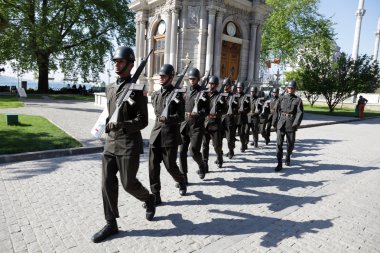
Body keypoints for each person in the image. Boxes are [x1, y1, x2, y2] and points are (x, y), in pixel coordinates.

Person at [91, 46, 155, 243]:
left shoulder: (136, 90)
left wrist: (123, 125)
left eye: (120, 62)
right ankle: (111, 223)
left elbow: (143, 120)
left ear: (130, 64)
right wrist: (101, 127)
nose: (116, 65)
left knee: (128, 183)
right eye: (115, 61)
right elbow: (108, 112)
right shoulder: (110, 87)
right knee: (106, 183)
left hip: (128, 143)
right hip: (110, 142)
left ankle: (149, 199)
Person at [149, 64, 187, 206]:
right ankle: (155, 195)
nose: (161, 78)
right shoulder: (156, 95)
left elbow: (181, 116)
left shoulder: (177, 95)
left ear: (171, 78)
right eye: (160, 75)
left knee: (170, 165)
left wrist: (169, 119)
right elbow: (156, 111)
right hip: (156, 134)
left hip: (170, 136)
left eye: (164, 76)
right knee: (153, 167)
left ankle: (181, 180)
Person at [179, 68, 209, 182]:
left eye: (194, 79)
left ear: (198, 79)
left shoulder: (203, 92)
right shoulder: (184, 91)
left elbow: (206, 110)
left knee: (194, 151)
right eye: (190, 78)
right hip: (184, 125)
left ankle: (201, 165)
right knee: (182, 152)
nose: (192, 80)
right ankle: (183, 177)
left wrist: (197, 114)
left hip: (196, 126)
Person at [272, 80, 303, 172]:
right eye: (289, 88)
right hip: (281, 123)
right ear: (287, 88)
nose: (290, 89)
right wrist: (274, 122)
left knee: (290, 144)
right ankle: (279, 163)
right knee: (278, 144)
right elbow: (276, 111)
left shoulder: (298, 100)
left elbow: (300, 113)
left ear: (295, 89)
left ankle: (288, 155)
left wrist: (296, 123)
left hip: (291, 124)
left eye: (292, 88)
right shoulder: (281, 98)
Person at [202, 76, 227, 169]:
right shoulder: (204, 94)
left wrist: (216, 113)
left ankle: (219, 157)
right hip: (205, 124)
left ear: (216, 86)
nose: (210, 85)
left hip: (215, 125)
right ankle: (205, 164)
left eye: (212, 84)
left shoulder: (220, 96)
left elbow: (225, 110)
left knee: (216, 145)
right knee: (204, 145)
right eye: (209, 83)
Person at [221, 78, 238, 159]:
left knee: (229, 139)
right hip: (220, 119)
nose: (225, 87)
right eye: (224, 85)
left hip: (230, 119)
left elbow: (236, 108)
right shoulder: (220, 95)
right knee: (218, 138)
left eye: (227, 85)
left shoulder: (234, 96)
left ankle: (231, 151)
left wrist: (232, 111)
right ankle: (219, 155)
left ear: (230, 86)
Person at [235, 82, 250, 152]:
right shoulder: (234, 96)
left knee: (241, 133)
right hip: (234, 118)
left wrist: (243, 110)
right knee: (232, 134)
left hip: (242, 118)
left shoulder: (246, 97)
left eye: (240, 88)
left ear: (243, 88)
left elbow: (248, 108)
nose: (239, 89)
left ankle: (243, 144)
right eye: (238, 88)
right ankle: (231, 148)